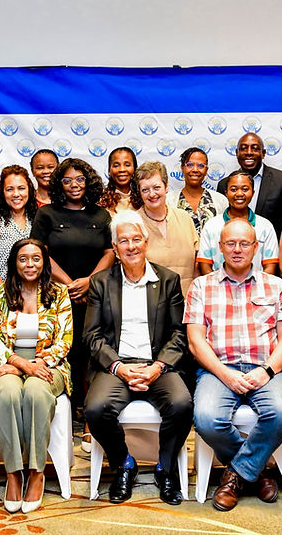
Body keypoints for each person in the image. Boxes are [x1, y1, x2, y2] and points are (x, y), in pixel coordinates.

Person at [185, 218, 282, 511]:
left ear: (255, 247)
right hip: (218, 369)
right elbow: (196, 342)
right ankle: (256, 471)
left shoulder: (278, 286)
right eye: (230, 243)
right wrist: (225, 374)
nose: (237, 249)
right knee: (207, 418)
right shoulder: (201, 286)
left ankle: (235, 475)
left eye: (244, 243)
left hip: (267, 368)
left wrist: (267, 371)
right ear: (220, 247)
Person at [83, 211, 192, 506]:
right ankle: (124, 464)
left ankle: (165, 469)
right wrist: (118, 367)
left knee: (181, 404)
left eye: (136, 239)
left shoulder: (167, 280)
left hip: (157, 363)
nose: (131, 246)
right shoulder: (101, 283)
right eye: (123, 241)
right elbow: (92, 335)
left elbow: (178, 333)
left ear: (146, 242)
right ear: (115, 249)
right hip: (116, 364)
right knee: (95, 409)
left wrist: (158, 366)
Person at [0, 238, 72, 514]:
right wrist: (20, 364)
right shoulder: (0, 293)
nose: (30, 264)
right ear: (14, 262)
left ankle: (36, 472)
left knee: (35, 391)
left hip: (49, 365)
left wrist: (35, 365)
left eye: (36, 258)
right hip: (6, 364)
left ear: (44, 262)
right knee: (9, 392)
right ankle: (13, 473)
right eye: (23, 258)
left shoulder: (59, 293)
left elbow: (65, 340)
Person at [30, 158, 114, 415]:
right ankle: (65, 409)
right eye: (67, 180)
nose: (74, 185)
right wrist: (69, 284)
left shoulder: (100, 214)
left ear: (88, 182)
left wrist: (89, 282)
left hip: (95, 294)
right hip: (57, 294)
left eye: (80, 179)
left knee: (91, 351)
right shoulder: (47, 214)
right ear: (59, 184)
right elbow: (40, 253)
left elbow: (110, 252)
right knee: (63, 348)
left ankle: (90, 409)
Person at [196, 171, 279, 276]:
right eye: (234, 189)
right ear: (226, 193)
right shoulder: (211, 225)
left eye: (245, 189)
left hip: (257, 290)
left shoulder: (265, 226)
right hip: (218, 290)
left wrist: (254, 288)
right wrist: (220, 288)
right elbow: (205, 266)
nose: (239, 194)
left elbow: (270, 268)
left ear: (253, 193)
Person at [135, 161, 199, 296]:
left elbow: (197, 265)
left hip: (187, 302)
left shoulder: (184, 218)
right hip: (150, 304)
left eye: (156, 187)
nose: (152, 194)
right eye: (145, 190)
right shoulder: (133, 223)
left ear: (166, 186)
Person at [217, 132, 282, 234]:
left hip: (271, 246)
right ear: (237, 153)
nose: (249, 152)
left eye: (255, 148)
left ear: (263, 153)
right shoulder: (224, 185)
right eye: (244, 148)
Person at [0, 165, 36, 294]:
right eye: (10, 189)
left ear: (29, 190)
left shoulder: (36, 219)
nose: (16, 194)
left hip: (32, 296)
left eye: (21, 188)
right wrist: (6, 294)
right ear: (2, 192)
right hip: (3, 296)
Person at [166, 146, 228, 235]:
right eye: (190, 165)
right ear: (182, 168)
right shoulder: (168, 200)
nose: (195, 169)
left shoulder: (220, 200)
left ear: (206, 170)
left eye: (201, 166)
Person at [97, 147, 143, 214]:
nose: (122, 169)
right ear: (109, 170)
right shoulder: (101, 200)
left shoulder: (143, 199)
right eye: (116, 166)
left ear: (134, 169)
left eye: (127, 165)